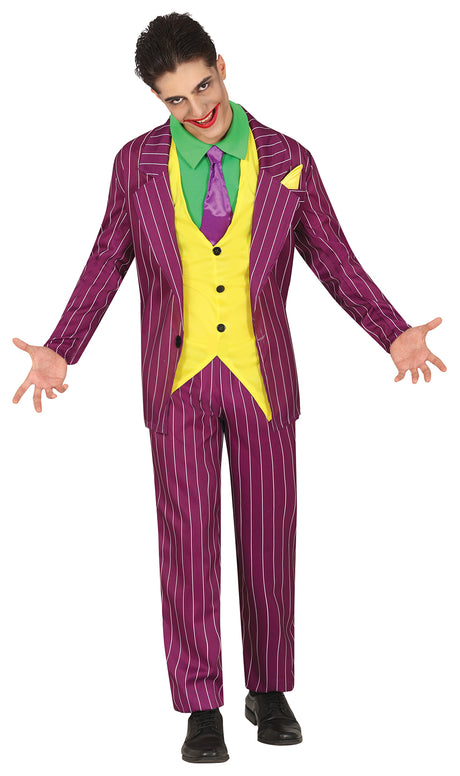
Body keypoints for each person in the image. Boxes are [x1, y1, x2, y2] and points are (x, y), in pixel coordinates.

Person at [12, 12, 446, 764]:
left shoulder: (288, 159)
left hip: (262, 379)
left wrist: (393, 331)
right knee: (186, 546)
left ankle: (268, 690)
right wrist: (62, 348)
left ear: (222, 65)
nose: (196, 108)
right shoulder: (135, 164)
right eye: (175, 99)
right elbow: (108, 257)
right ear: (157, 99)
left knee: (270, 536)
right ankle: (200, 705)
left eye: (203, 85)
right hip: (176, 380)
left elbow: (332, 257)